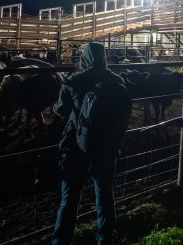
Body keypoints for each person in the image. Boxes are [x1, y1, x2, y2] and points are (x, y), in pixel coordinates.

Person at [52, 42, 129, 245]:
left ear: (84, 57)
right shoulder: (117, 79)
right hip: (106, 145)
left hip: (77, 144)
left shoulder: (75, 80)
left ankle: (61, 241)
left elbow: (59, 109)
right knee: (104, 193)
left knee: (69, 199)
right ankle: (105, 238)